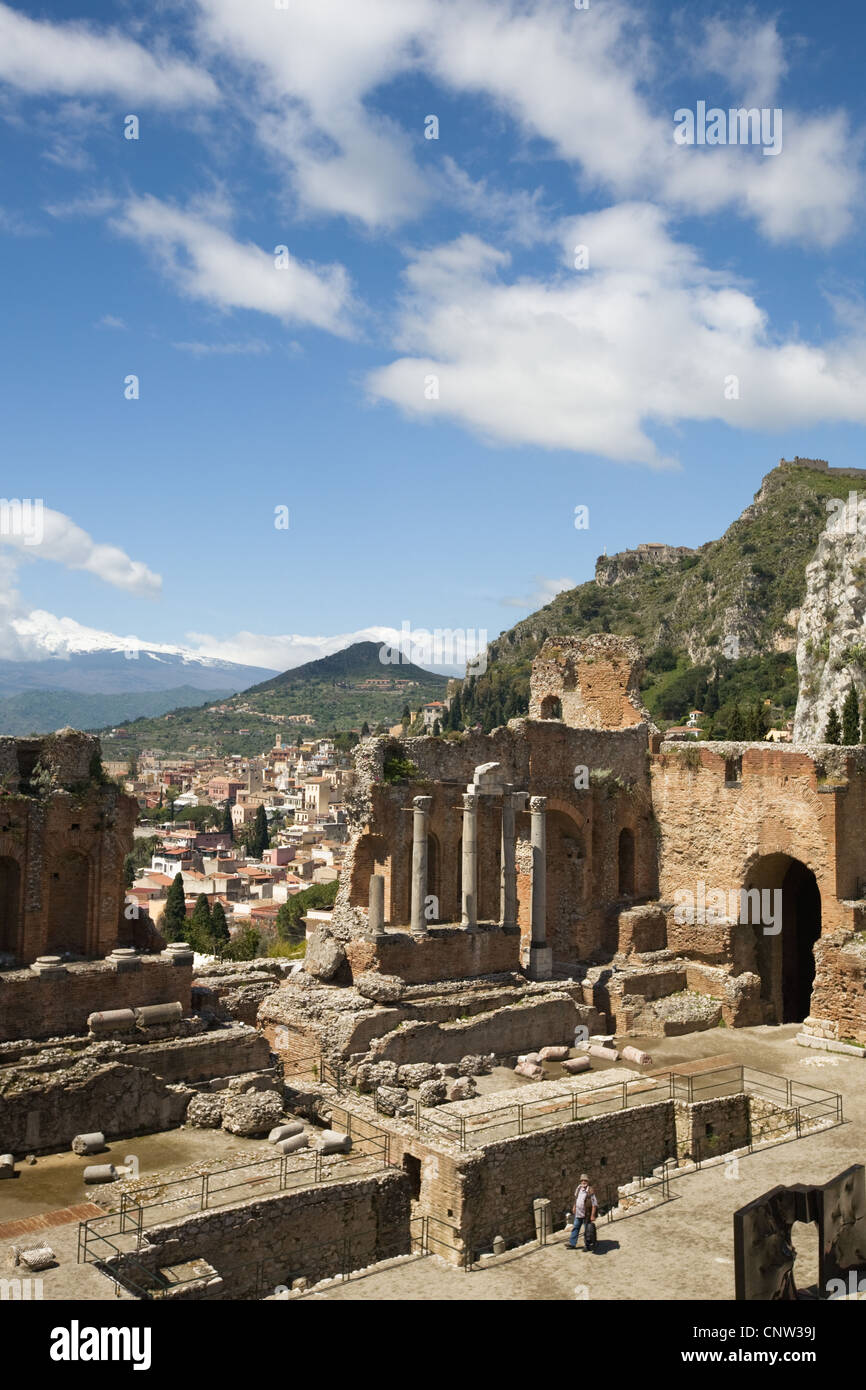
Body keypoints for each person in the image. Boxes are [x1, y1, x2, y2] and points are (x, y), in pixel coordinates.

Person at [568, 1173, 591, 1249]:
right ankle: (572, 1243)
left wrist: (593, 1214)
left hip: (586, 1214)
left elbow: (594, 1203)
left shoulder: (590, 1190)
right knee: (576, 1227)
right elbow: (576, 1198)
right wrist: (574, 1206)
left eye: (585, 1180)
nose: (583, 1182)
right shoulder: (578, 1188)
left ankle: (587, 1245)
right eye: (582, 1180)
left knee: (587, 1230)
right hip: (578, 1212)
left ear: (588, 1181)